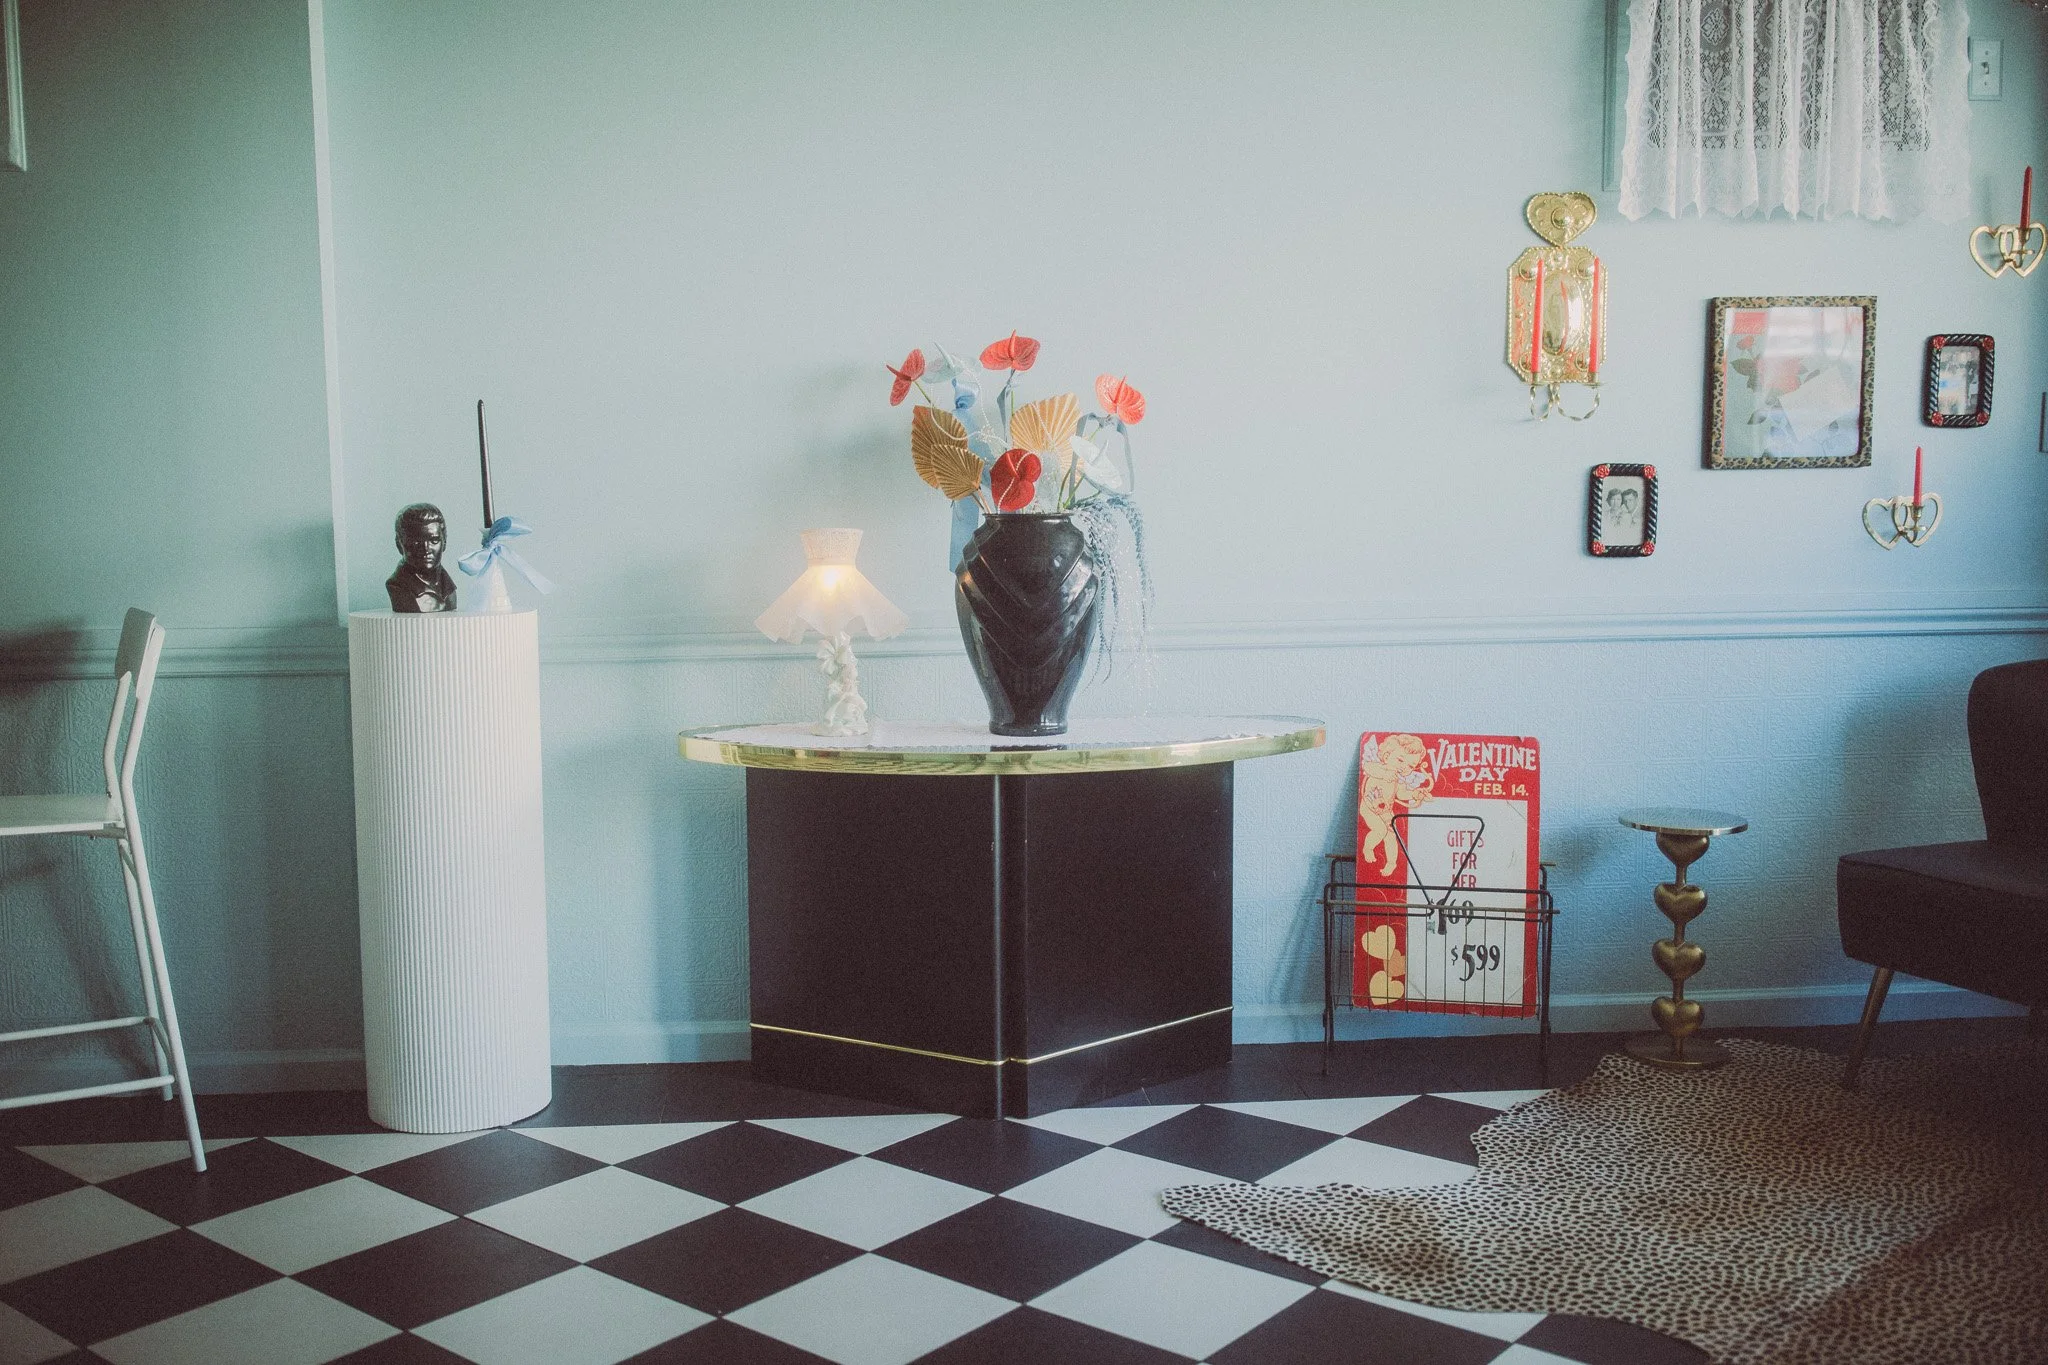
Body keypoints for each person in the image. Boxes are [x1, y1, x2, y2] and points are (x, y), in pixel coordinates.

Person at [386, 503, 457, 612]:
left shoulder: (449, 587)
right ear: (399, 544)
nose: (426, 549)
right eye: (416, 542)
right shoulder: (397, 586)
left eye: (434, 540)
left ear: (444, 542)